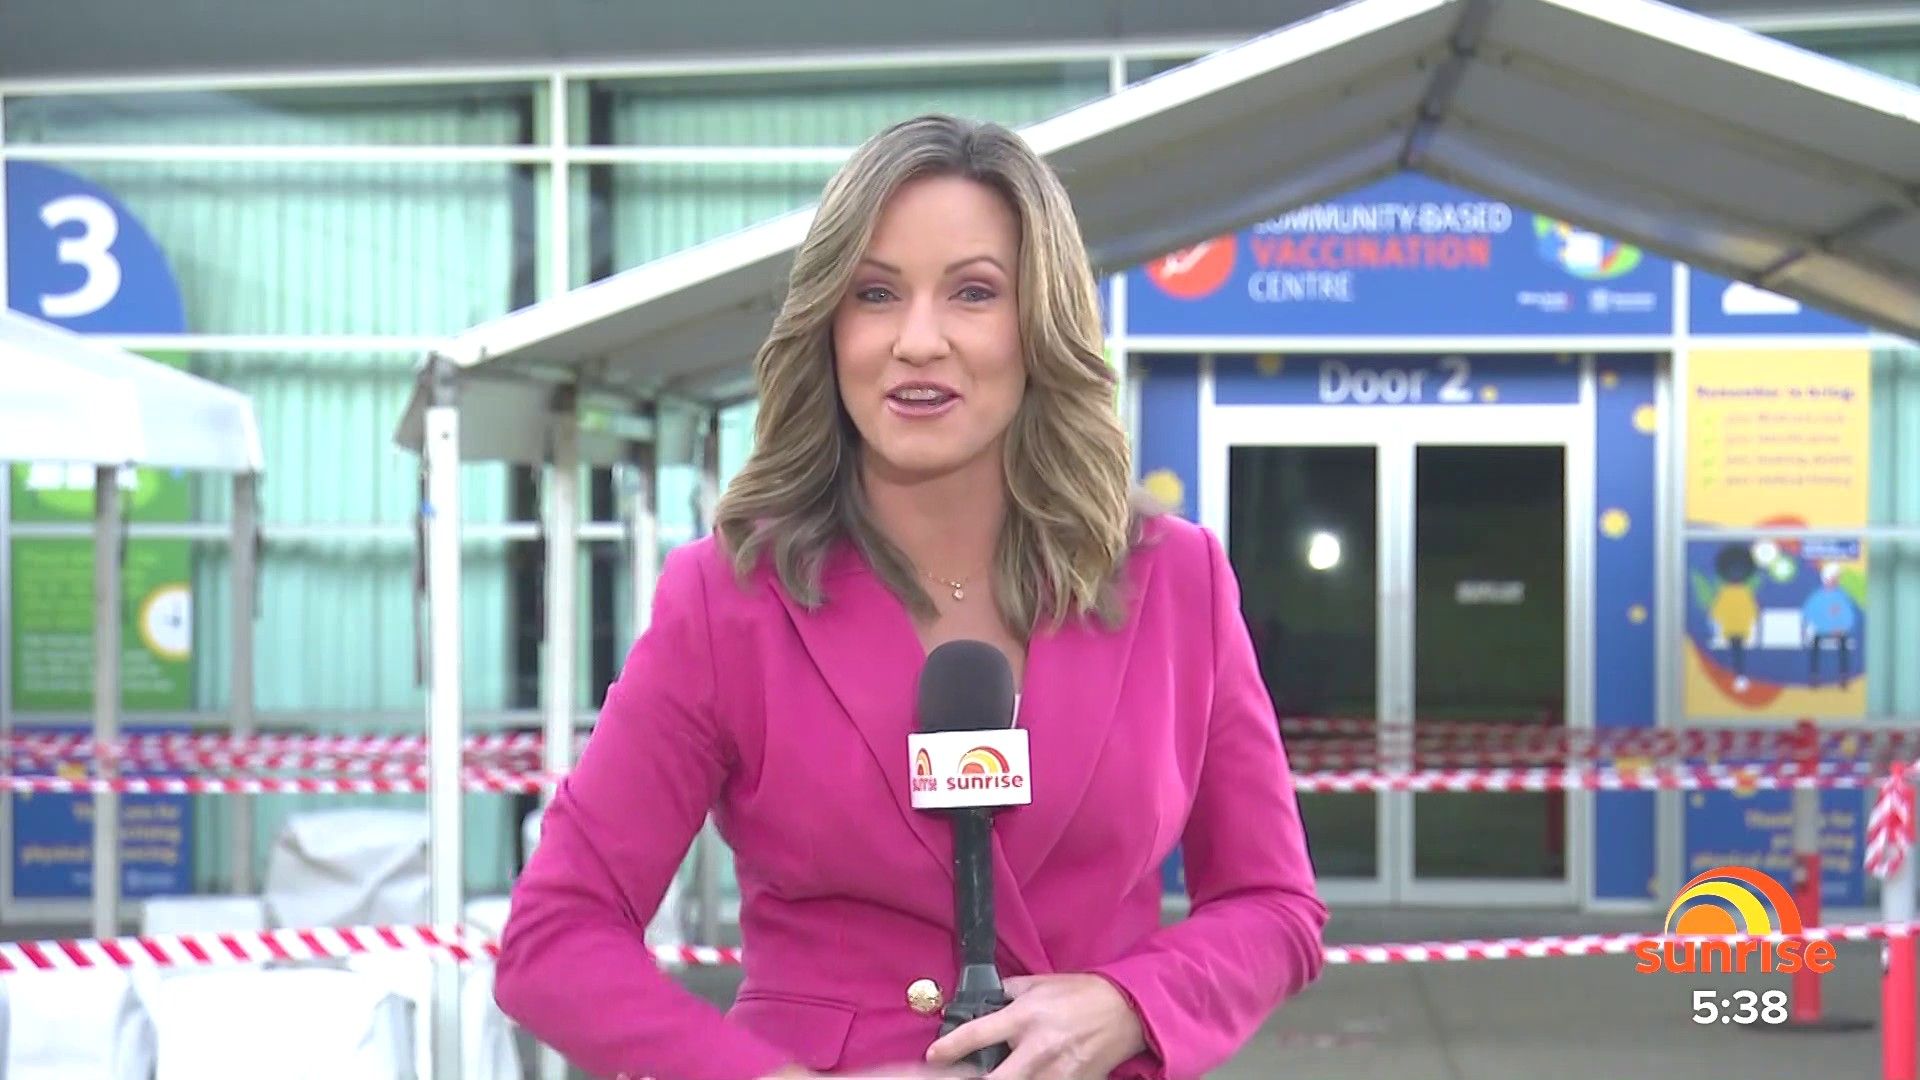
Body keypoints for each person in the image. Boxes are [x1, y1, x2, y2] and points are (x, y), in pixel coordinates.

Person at [491, 113, 1328, 1080]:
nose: (918, 340)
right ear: (830, 325)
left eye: (973, 292)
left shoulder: (1176, 581)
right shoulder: (728, 600)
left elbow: (1275, 906)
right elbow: (555, 937)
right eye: (876, 293)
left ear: (1039, 324)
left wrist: (1129, 1003)